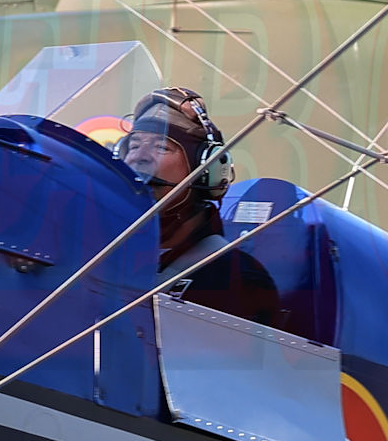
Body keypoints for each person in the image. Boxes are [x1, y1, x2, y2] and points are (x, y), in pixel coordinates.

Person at [116, 87, 283, 328]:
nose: (138, 157)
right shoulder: (102, 257)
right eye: (133, 146)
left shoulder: (236, 280)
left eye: (161, 147)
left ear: (206, 172)